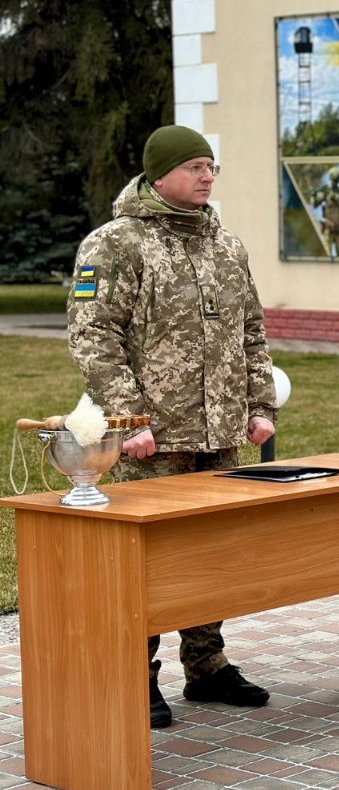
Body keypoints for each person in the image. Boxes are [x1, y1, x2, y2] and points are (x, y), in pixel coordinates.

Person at [66, 125, 277, 729]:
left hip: (220, 435)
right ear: (159, 175)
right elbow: (93, 336)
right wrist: (128, 418)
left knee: (211, 555)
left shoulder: (226, 246)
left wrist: (259, 406)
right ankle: (135, 676)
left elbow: (252, 331)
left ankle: (207, 668)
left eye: (211, 166)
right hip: (150, 441)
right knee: (144, 563)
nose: (207, 176)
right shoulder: (116, 244)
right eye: (194, 167)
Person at [311, 166, 339, 257]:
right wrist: (314, 196)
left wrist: (336, 197)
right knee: (326, 254)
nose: (334, 182)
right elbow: (315, 204)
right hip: (328, 227)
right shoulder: (324, 189)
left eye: (336, 179)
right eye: (334, 179)